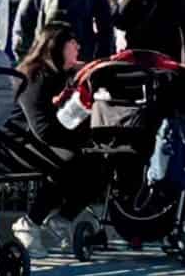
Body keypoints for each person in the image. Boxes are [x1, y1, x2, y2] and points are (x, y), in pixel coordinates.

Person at [11, 21, 114, 243]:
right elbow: (44, 129)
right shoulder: (35, 76)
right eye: (72, 42)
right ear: (57, 46)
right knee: (71, 161)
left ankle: (63, 218)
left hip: (41, 139)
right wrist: (83, 140)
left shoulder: (58, 74)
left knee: (102, 162)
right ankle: (30, 223)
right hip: (17, 143)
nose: (78, 46)